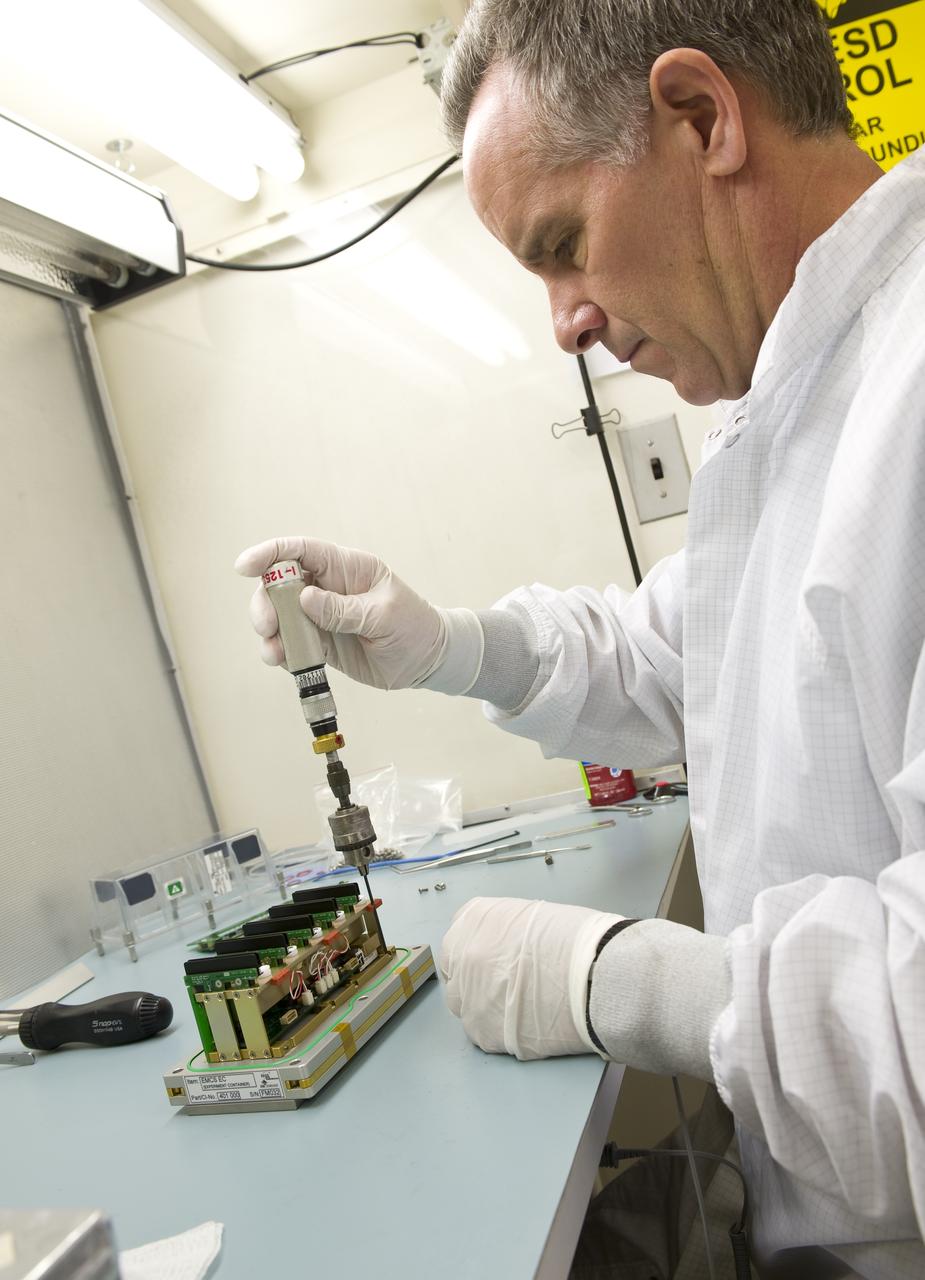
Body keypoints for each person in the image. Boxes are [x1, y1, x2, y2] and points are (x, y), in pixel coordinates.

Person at [236, 1, 925, 1274]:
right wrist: (442, 642)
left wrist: (609, 979)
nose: (564, 322)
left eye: (564, 245)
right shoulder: (796, 393)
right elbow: (673, 654)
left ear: (702, 118)